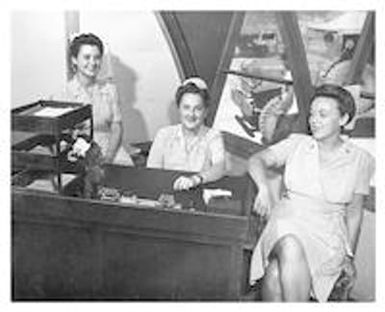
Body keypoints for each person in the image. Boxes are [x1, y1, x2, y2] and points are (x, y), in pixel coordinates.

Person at [248, 84, 374, 302]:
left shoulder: (360, 159)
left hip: (326, 237)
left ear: (343, 119)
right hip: (285, 222)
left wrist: (349, 256)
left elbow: (354, 213)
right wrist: (263, 188)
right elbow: (255, 160)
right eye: (312, 114)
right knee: (290, 243)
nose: (314, 120)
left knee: (276, 273)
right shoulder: (297, 144)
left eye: (323, 114)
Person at [55, 33, 133, 165]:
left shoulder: (109, 89)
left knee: (127, 174)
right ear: (74, 60)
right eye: (86, 57)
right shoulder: (63, 94)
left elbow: (116, 127)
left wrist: (109, 157)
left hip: (111, 148)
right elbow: (62, 137)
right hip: (79, 151)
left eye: (97, 58)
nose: (92, 63)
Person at [147, 77, 226, 191]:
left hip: (199, 195)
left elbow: (219, 168)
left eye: (197, 109)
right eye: (186, 107)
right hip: (166, 194)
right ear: (179, 109)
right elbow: (152, 173)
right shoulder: (164, 134)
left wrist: (195, 179)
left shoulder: (214, 136)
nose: (191, 114)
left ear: (206, 112)